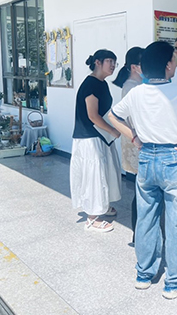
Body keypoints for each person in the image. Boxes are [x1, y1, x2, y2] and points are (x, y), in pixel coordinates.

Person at [109, 41, 177, 300]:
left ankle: (144, 275)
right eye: (173, 60)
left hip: (146, 159)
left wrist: (134, 138)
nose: (175, 63)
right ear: (167, 66)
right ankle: (175, 282)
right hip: (173, 158)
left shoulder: (136, 93)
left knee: (147, 218)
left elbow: (112, 116)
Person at [70, 49, 122, 233]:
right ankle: (92, 218)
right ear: (98, 63)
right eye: (109, 61)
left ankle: (102, 206)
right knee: (94, 176)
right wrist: (113, 130)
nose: (113, 65)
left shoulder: (102, 83)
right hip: (89, 138)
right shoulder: (91, 84)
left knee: (104, 173)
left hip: (100, 136)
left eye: (115, 62)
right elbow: (92, 115)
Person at [112, 46, 144, 238]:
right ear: (134, 67)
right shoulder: (132, 88)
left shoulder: (135, 85)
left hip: (136, 144)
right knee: (142, 192)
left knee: (142, 191)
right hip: (138, 145)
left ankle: (139, 232)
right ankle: (138, 233)